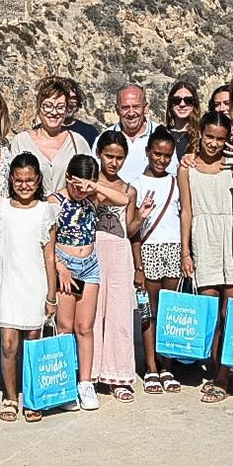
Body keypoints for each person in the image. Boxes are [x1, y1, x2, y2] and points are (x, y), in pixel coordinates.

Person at [0, 153, 60, 423]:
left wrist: (52, 296)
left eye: (30, 180)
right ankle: (10, 395)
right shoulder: (1, 209)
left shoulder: (45, 211)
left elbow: (50, 257)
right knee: (7, 344)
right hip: (9, 284)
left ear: (38, 180)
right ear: (11, 180)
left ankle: (31, 395)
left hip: (35, 284)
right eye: (19, 180)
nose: (24, 185)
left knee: (32, 343)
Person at [50, 154, 128, 412]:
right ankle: (64, 381)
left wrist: (94, 187)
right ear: (69, 178)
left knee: (85, 327)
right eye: (77, 185)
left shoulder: (94, 197)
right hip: (65, 263)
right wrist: (58, 267)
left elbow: (124, 199)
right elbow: (43, 240)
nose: (81, 191)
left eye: (87, 185)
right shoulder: (56, 201)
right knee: (65, 326)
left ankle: (86, 382)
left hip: (90, 264)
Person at [180, 111, 233, 401]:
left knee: (231, 312)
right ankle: (217, 367)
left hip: (231, 236)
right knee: (210, 312)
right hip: (203, 238)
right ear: (200, 134)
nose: (214, 144)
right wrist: (185, 251)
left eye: (220, 138)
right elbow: (187, 211)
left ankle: (224, 376)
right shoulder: (187, 168)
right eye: (209, 137)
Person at [92, 129, 145, 403]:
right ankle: (90, 374)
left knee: (119, 314)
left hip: (120, 253)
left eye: (119, 157)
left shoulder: (128, 189)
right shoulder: (90, 183)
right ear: (99, 154)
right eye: (108, 156)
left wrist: (142, 217)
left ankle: (118, 375)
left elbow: (129, 228)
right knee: (92, 313)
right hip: (94, 252)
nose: (113, 162)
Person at [7, 77, 93, 196]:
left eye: (60, 107)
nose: (54, 112)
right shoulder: (20, 142)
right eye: (48, 106)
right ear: (38, 107)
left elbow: (91, 180)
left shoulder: (77, 142)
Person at [104, 83, 160, 178]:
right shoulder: (104, 139)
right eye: (125, 107)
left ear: (145, 108)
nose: (131, 113)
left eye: (136, 107)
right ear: (117, 110)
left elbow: (171, 176)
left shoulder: (161, 136)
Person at [164, 81, 201, 162]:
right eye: (176, 100)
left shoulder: (201, 136)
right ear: (171, 105)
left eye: (188, 100)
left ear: (194, 104)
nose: (182, 104)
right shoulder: (162, 134)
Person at [64, 78, 101, 146]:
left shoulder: (89, 132)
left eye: (73, 98)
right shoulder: (42, 131)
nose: (69, 102)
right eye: (65, 98)